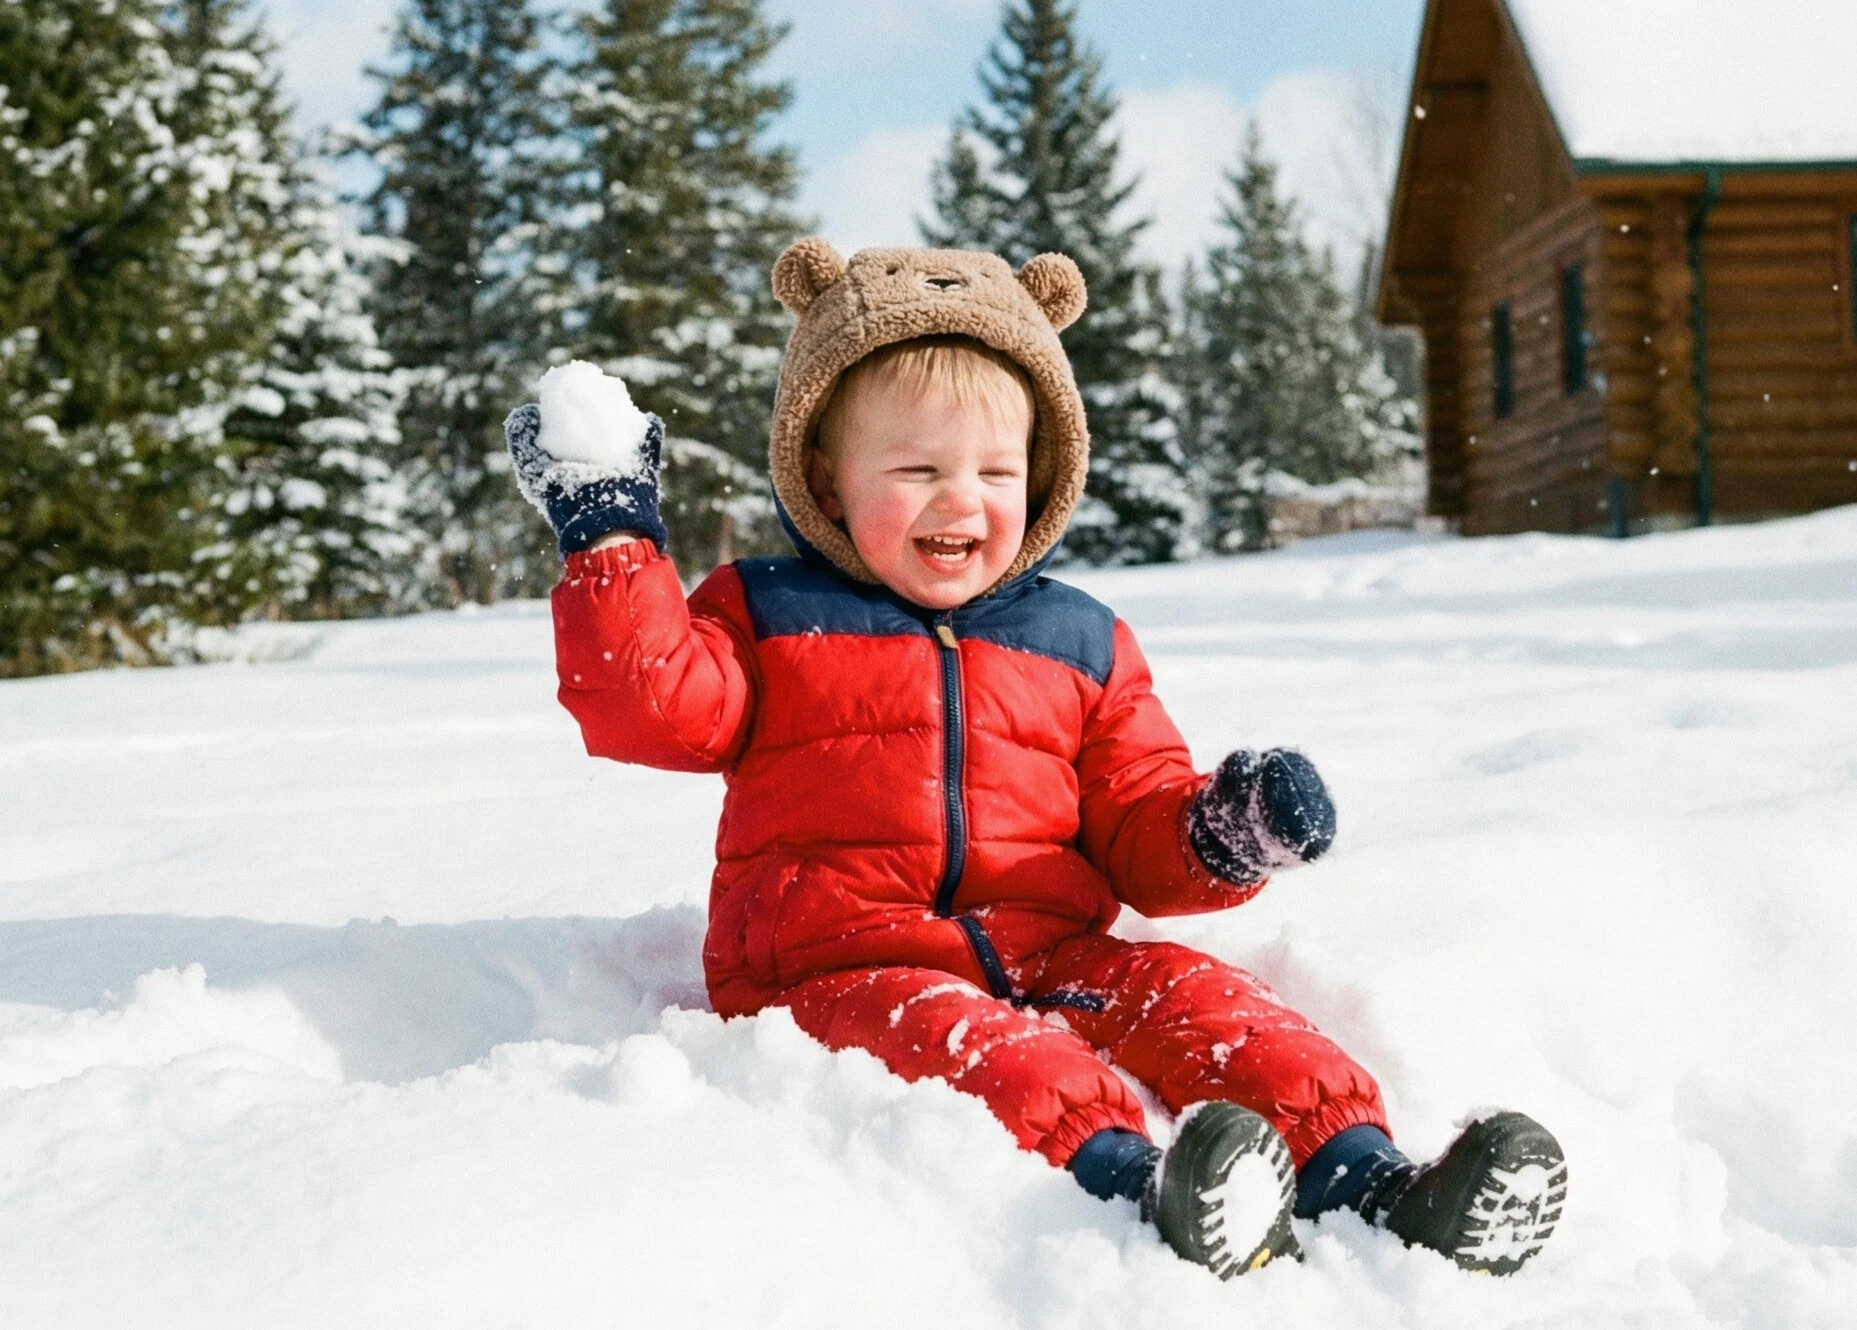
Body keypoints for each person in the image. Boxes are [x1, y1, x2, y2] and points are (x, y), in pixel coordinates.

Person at [504, 238, 1564, 1278]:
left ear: (1042, 474)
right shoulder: (770, 616)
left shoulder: (1080, 642)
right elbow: (650, 704)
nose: (961, 500)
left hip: (1053, 952)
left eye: (994, 470)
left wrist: (1221, 831)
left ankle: (1374, 1181)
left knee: (1205, 1002)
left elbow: (1136, 817)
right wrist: (611, 535)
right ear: (826, 480)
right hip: (841, 966)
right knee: (985, 1049)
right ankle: (1143, 1183)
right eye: (916, 469)